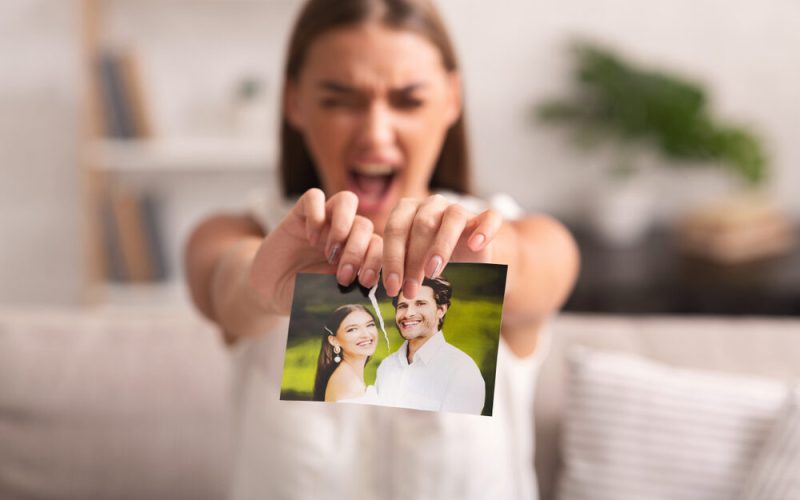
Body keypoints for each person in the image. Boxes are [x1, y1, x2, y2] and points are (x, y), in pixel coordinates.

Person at [185, 0, 579, 498]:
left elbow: (549, 264)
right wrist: (262, 287)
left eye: (408, 101)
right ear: (294, 102)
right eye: (339, 100)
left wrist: (489, 252)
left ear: (452, 99)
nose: (374, 133)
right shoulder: (242, 230)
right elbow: (225, 280)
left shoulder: (509, 233)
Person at [376, 276, 485, 414]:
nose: (408, 313)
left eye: (420, 303)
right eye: (403, 306)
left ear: (441, 310)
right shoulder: (387, 366)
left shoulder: (462, 371)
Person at [313, 304, 380, 403]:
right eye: (352, 329)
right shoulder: (349, 383)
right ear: (334, 340)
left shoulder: (346, 374)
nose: (366, 334)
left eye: (370, 325)